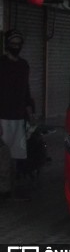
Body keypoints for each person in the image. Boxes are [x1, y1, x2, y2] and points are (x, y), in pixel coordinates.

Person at [0, 29, 35, 200]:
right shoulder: (1, 64)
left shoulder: (23, 65)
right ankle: (4, 187)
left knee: (16, 154)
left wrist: (29, 109)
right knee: (3, 155)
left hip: (19, 116)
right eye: (13, 43)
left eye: (18, 44)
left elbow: (25, 90)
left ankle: (11, 186)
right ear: (7, 44)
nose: (16, 46)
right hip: (3, 117)